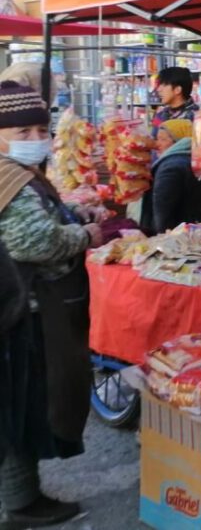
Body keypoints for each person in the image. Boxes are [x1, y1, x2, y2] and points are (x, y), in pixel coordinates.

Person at [0, 81, 102, 528]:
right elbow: (34, 241)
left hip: (20, 308)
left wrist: (71, 215)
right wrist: (85, 235)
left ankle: (22, 496)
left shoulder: (19, 176)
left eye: (40, 130)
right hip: (23, 314)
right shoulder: (10, 178)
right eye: (21, 133)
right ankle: (21, 504)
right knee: (20, 410)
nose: (35, 139)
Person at [140, 119, 201, 235]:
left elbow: (162, 213)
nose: (157, 144)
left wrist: (160, 238)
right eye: (157, 139)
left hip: (176, 237)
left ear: (178, 140)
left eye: (163, 139)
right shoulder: (199, 162)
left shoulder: (169, 168)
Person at [151, 66, 198, 138]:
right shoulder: (160, 115)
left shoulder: (196, 117)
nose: (158, 89)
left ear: (177, 90)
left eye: (164, 85)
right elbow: (154, 139)